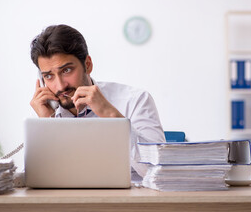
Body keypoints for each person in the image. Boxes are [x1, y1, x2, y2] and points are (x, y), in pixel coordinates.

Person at [29, 24, 165, 177]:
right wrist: (48, 125)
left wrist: (111, 116)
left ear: (87, 65)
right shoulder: (48, 111)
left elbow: (159, 172)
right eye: (49, 76)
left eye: (66, 70)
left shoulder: (135, 100)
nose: (60, 86)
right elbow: (49, 178)